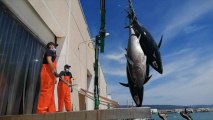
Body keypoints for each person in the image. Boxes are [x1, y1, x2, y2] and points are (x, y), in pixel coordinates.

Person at [37, 42, 59, 114]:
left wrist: (54, 78)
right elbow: (49, 60)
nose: (55, 47)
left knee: (51, 93)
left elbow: (53, 64)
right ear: (50, 46)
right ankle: (41, 111)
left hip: (51, 74)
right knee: (46, 91)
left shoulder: (53, 55)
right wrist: (54, 71)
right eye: (54, 46)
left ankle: (51, 111)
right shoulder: (49, 51)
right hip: (47, 72)